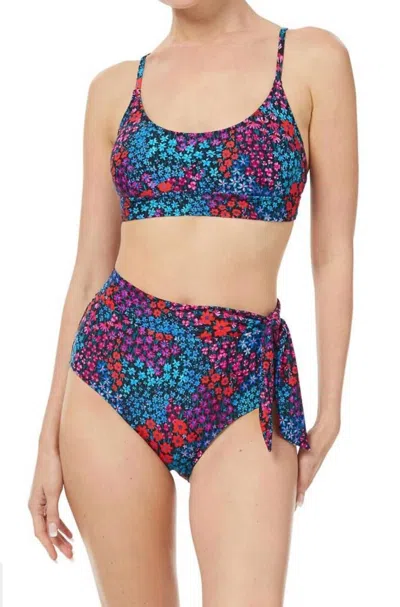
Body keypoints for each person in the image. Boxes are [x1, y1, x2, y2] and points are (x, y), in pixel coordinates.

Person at [28, 0, 358, 605]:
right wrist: (47, 440)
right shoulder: (114, 90)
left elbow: (332, 252)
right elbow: (89, 272)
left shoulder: (310, 60)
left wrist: (332, 409)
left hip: (244, 383)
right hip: (112, 375)